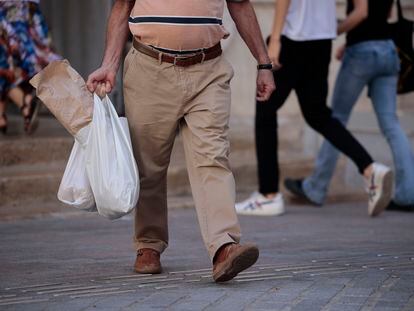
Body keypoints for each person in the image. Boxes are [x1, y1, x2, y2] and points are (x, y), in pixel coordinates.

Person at [87, 0, 275, 283]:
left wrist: (263, 62)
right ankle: (149, 244)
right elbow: (121, 6)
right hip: (150, 68)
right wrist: (109, 65)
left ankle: (224, 246)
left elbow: (240, 5)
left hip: (208, 69)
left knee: (213, 158)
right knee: (148, 165)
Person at [235, 0, 393, 218]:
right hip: (321, 41)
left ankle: (268, 195)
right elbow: (360, 10)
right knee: (317, 114)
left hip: (293, 38)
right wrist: (329, 28)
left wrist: (275, 39)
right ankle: (369, 168)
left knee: (266, 107)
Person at [284, 0, 414, 213]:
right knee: (391, 124)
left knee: (335, 119)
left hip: (363, 53)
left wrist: (332, 30)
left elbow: (362, 12)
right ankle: (408, 194)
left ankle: (316, 187)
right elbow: (385, 12)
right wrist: (349, 41)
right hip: (388, 50)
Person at [0, 0, 60, 134]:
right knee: (11, 69)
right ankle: (22, 106)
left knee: (8, 68)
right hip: (22, 21)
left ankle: (23, 105)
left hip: (12, 24)